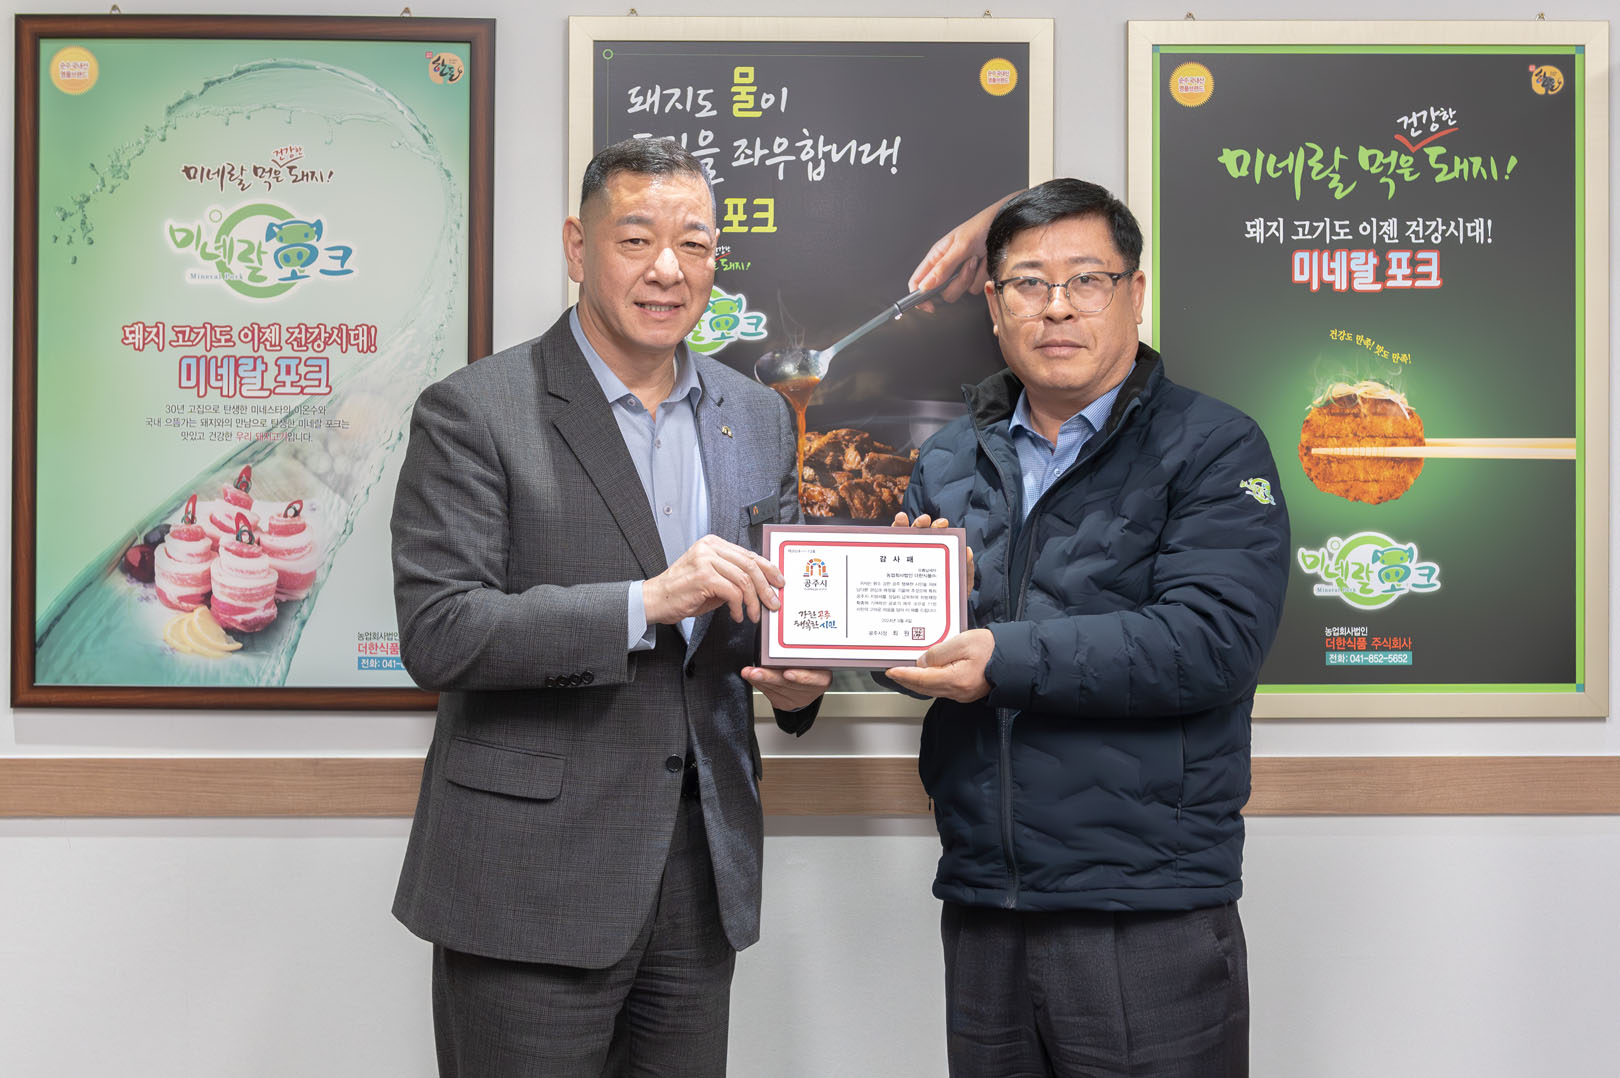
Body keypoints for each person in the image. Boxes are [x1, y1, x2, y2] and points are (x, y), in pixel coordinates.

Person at [390, 136, 829, 1077]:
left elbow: (769, 615)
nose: (668, 269)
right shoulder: (476, 410)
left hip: (700, 874)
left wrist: (799, 685)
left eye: (695, 244)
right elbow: (440, 631)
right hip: (528, 879)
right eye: (636, 239)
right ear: (577, 246)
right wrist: (646, 602)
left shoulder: (755, 415)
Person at [876, 178, 1290, 1076]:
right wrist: (858, 642)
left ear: (1134, 294)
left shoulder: (1214, 446)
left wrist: (1000, 657)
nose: (1056, 307)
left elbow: (1211, 641)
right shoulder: (948, 458)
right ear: (994, 307)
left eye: (1086, 280)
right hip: (985, 895)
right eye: (1028, 283)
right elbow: (921, 648)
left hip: (1146, 902)